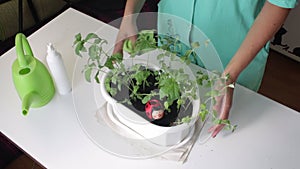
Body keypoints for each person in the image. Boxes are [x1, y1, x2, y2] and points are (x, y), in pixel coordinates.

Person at [113, 0, 298, 138]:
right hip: (173, 38)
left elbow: (279, 2)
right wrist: (130, 12)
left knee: (218, 140)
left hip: (232, 56)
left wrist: (230, 74)